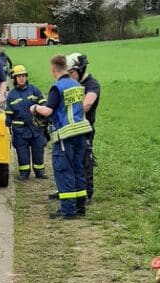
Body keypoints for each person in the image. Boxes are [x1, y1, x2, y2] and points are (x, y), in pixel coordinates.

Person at [30, 55, 93, 219]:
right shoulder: (77, 85)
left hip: (66, 135)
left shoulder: (57, 87)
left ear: (54, 70)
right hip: (81, 132)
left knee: (64, 170)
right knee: (78, 169)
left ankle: (68, 210)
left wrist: (35, 107)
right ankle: (80, 207)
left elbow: (48, 111)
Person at [66, 52, 101, 203]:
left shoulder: (92, 85)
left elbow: (86, 105)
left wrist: (66, 109)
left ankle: (87, 193)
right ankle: (70, 189)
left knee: (85, 161)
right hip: (69, 128)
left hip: (85, 129)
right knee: (68, 160)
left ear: (80, 70)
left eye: (72, 72)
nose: (70, 76)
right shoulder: (71, 84)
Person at [5, 65, 48, 181]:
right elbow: (8, 115)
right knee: (22, 152)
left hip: (36, 128)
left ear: (26, 77)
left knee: (38, 150)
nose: (21, 78)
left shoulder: (34, 90)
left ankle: (39, 171)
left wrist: (41, 111)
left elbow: (44, 104)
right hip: (20, 131)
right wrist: (7, 128)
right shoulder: (11, 95)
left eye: (23, 76)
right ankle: (24, 173)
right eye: (18, 76)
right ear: (14, 78)